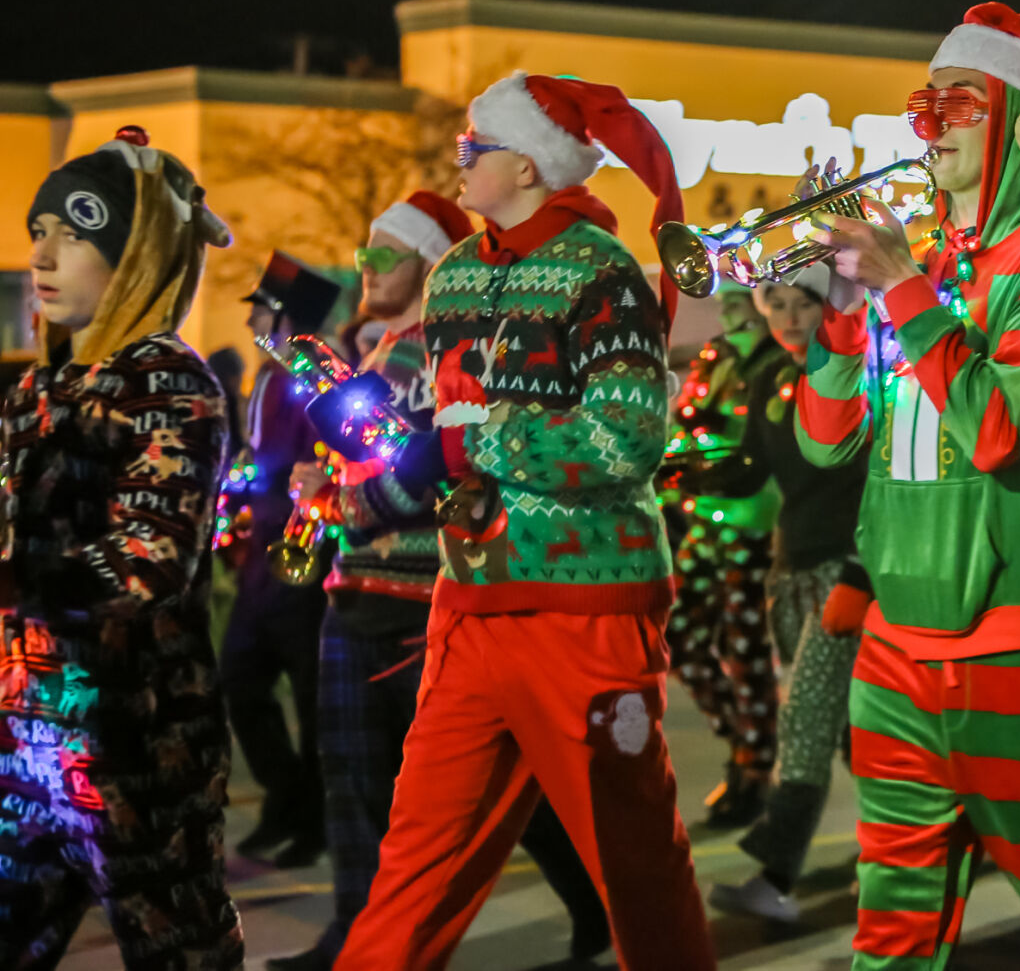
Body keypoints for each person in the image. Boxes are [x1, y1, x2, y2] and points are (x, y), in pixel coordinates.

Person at [803, 3, 1020, 969]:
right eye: (925, 104)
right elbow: (826, 439)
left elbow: (995, 429)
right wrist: (843, 312)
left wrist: (901, 288)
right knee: (893, 928)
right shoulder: (910, 265)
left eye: (958, 104)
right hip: (894, 654)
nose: (931, 125)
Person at [332, 72, 714, 970]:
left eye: (476, 145)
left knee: (634, 862)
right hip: (469, 601)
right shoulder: (456, 275)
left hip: (584, 606)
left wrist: (470, 444)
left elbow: (625, 436)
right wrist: (402, 466)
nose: (459, 158)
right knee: (415, 861)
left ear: (533, 167)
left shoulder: (602, 270)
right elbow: (443, 425)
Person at [267, 192, 607, 970]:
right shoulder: (380, 351)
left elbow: (431, 472)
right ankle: (358, 935)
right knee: (354, 784)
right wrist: (318, 488)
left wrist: (343, 503)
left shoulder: (444, 351)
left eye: (383, 253)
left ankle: (599, 910)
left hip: (421, 599)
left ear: (427, 260)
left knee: (487, 796)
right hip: (355, 591)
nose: (364, 266)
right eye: (363, 252)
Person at [0, 128, 243, 966]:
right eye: (39, 232)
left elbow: (149, 557)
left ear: (136, 257)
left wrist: (20, 572)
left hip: (132, 749)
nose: (44, 254)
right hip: (16, 743)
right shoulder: (35, 387)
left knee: (180, 951)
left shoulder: (167, 382)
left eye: (75, 233)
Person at [690, 266, 871, 922]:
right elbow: (752, 464)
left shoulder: (851, 374)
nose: (790, 317)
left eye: (805, 302)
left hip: (841, 571)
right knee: (854, 729)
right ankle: (929, 838)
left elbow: (878, 481)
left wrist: (859, 572)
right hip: (788, 569)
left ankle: (775, 874)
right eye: (778, 303)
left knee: (806, 717)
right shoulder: (768, 375)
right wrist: (690, 471)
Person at [224, 250, 341, 868]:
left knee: (309, 697)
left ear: (286, 317)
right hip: (258, 559)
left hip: (297, 559)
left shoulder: (310, 378)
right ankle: (288, 798)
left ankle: (310, 817)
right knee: (239, 682)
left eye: (261, 310)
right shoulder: (268, 375)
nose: (251, 323)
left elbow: (321, 465)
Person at [668, 282, 789, 826]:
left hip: (755, 523)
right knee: (683, 643)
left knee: (747, 651)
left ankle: (756, 771)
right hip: (705, 518)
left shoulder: (780, 359)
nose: (729, 300)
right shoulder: (716, 354)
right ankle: (744, 744)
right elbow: (688, 422)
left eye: (745, 291)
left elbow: (765, 447)